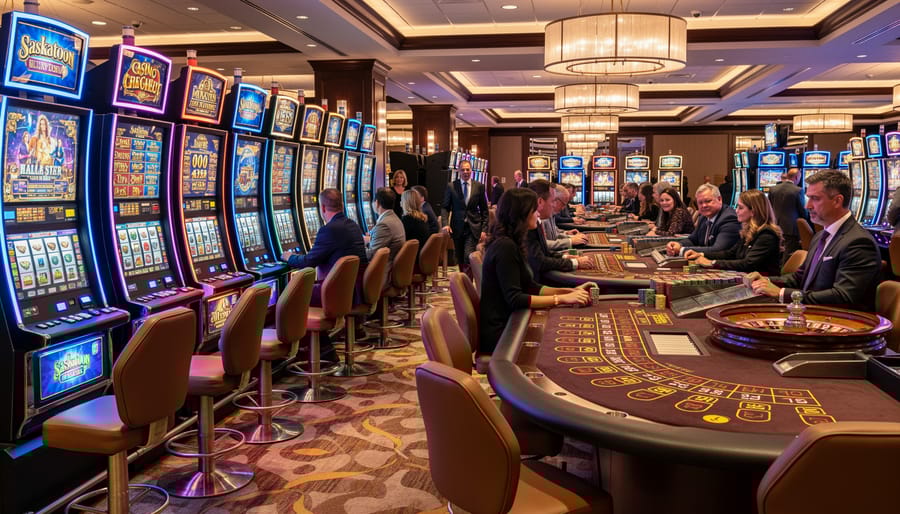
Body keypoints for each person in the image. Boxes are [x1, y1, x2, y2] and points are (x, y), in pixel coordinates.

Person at [747, 170, 881, 311]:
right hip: (810, 313)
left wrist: (782, 293)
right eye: (808, 198)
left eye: (815, 198)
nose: (807, 205)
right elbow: (800, 277)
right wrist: (766, 281)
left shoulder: (858, 242)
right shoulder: (820, 236)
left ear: (837, 201)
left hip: (840, 322)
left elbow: (844, 296)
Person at [480, 187, 590, 354]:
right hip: (503, 332)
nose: (538, 214)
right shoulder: (505, 247)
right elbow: (515, 298)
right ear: (522, 213)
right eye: (534, 210)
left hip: (513, 320)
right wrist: (560, 299)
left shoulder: (513, 242)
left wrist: (567, 292)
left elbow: (531, 286)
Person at [282, 189, 368, 360]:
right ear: (341, 205)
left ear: (322, 207)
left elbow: (308, 262)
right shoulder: (352, 225)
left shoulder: (329, 230)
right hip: (352, 289)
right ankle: (322, 348)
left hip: (336, 293)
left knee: (292, 297)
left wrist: (289, 256)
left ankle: (319, 350)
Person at [684, 189, 783, 275]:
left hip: (765, 283)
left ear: (753, 211)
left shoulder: (766, 234)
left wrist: (712, 263)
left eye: (740, 207)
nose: (736, 211)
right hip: (748, 279)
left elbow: (748, 264)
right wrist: (701, 254)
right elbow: (730, 253)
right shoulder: (749, 231)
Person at [525, 180, 595, 281]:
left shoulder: (537, 221)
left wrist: (564, 257)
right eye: (553, 201)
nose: (554, 205)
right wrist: (574, 263)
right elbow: (539, 261)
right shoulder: (528, 226)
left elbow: (544, 252)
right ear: (540, 201)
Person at [666, 183, 740, 257]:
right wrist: (679, 244)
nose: (704, 205)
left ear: (719, 199)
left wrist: (682, 250)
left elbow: (718, 250)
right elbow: (692, 240)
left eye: (708, 201)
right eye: (700, 203)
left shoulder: (729, 218)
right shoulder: (703, 217)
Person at [442, 159, 489, 272]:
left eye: (467, 169)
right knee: (459, 257)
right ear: (459, 171)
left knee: (468, 255)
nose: (465, 172)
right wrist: (445, 224)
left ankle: (467, 280)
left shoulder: (479, 186)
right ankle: (464, 280)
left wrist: (484, 229)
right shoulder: (452, 186)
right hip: (457, 227)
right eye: (463, 170)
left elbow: (484, 210)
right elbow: (445, 207)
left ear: (471, 171)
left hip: (473, 227)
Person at [768, 168, 807, 258]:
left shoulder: (773, 189)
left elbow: (769, 207)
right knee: (788, 254)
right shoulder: (798, 190)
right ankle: (786, 271)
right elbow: (802, 211)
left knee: (776, 253)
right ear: (797, 177)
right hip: (791, 228)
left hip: (774, 225)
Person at [366, 187, 405, 264]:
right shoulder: (394, 218)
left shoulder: (384, 225)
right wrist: (369, 240)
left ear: (377, 203)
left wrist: (356, 246)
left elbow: (371, 255)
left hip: (383, 269)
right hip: (392, 265)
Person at [400, 189, 430, 256]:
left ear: (406, 203)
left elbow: (401, 241)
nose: (400, 203)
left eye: (402, 200)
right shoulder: (422, 217)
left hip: (412, 257)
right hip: (421, 255)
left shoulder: (408, 219)